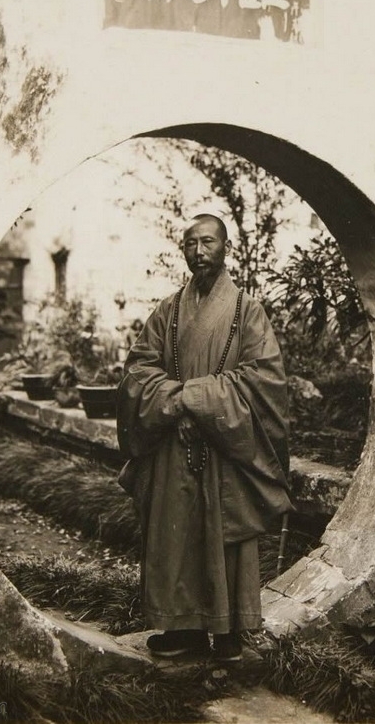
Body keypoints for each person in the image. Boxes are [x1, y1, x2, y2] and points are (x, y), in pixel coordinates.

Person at [116, 213, 293, 662]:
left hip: (224, 444)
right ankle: (184, 631)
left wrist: (196, 399)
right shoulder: (169, 310)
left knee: (226, 534)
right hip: (175, 444)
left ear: (225, 247)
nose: (199, 251)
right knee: (178, 537)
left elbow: (263, 378)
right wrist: (174, 404)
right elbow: (138, 368)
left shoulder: (246, 310)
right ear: (183, 251)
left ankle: (230, 634)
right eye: (190, 243)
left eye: (208, 241)